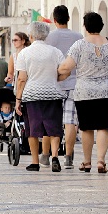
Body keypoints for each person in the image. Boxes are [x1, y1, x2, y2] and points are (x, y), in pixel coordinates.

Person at [58, 12, 108, 173]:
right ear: (101, 26)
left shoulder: (80, 45)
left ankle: (87, 162)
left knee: (87, 128)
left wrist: (58, 71)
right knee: (103, 127)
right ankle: (101, 161)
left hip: (85, 92)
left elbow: (65, 67)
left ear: (85, 27)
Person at [36, 5, 84, 169]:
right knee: (70, 121)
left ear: (54, 20)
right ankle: (69, 156)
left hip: (52, 83)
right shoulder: (78, 36)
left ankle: (46, 155)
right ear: (68, 18)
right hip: (74, 83)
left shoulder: (49, 37)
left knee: (49, 119)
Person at [15, 21, 67, 172]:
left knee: (32, 129)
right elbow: (65, 71)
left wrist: (18, 99)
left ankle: (35, 162)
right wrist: (55, 79)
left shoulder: (24, 53)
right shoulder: (55, 52)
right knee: (54, 127)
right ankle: (55, 156)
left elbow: (21, 79)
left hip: (32, 96)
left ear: (31, 36)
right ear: (46, 35)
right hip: (53, 94)